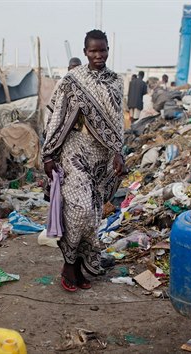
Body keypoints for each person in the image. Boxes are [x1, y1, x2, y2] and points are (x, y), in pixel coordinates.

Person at [43, 29, 126, 292]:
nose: (98, 55)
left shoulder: (116, 81)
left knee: (92, 215)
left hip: (100, 157)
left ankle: (80, 266)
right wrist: (49, 154)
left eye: (102, 50)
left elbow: (116, 122)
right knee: (78, 209)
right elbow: (58, 117)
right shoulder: (72, 80)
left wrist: (118, 152)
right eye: (93, 51)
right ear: (85, 52)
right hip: (75, 150)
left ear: (108, 50)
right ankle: (68, 264)